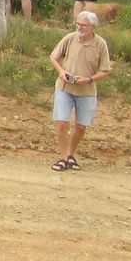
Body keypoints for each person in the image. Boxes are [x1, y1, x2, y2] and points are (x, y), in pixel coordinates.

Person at [48, 10, 112, 171]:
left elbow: (106, 70)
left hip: (87, 91)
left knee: (81, 126)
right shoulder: (70, 38)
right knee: (62, 123)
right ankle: (63, 158)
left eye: (83, 25)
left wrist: (89, 79)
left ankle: (70, 154)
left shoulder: (100, 44)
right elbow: (54, 57)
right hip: (64, 87)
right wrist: (61, 72)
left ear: (92, 27)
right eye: (78, 24)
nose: (79, 27)